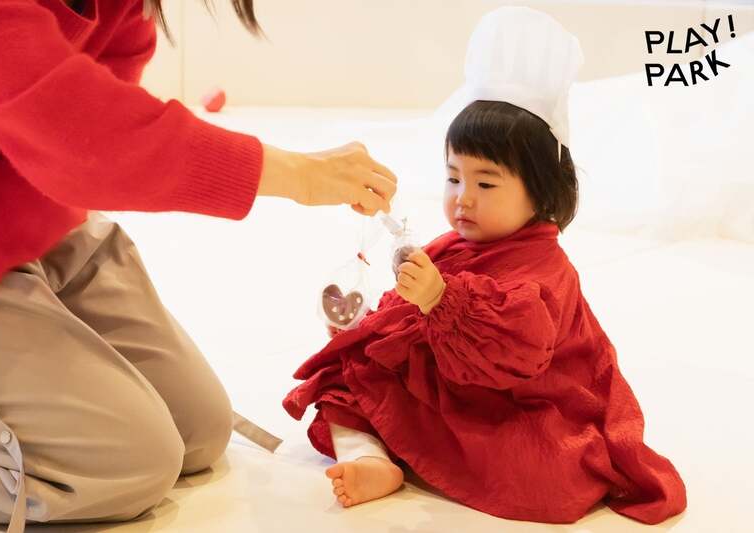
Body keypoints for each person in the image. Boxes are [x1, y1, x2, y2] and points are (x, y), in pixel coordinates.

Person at [0, 1, 396, 531]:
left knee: (198, 430)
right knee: (130, 464)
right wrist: (297, 175)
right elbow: (88, 138)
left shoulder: (123, 8)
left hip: (33, 224)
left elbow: (94, 142)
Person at [282, 7, 687, 525]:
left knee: (545, 471)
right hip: (449, 385)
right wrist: (367, 323)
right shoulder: (452, 244)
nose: (463, 198)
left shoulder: (545, 270)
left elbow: (517, 347)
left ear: (540, 191)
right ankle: (370, 457)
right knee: (347, 378)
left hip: (517, 403)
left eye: (486, 183)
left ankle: (403, 450)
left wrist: (440, 299)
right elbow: (406, 317)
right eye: (453, 178)